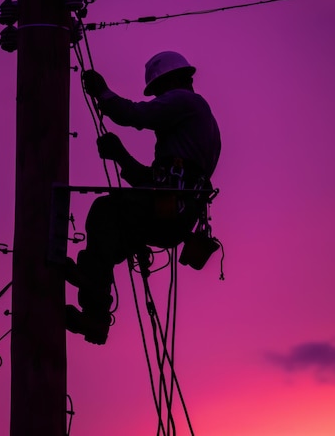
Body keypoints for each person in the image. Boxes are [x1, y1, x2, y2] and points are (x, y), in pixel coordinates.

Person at [66, 51, 221, 345]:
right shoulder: (188, 136)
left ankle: (93, 289)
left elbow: (136, 115)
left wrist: (103, 93)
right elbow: (149, 182)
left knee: (104, 210)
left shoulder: (187, 101)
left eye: (160, 90)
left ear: (176, 81)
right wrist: (120, 154)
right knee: (108, 243)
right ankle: (95, 317)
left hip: (169, 209)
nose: (159, 97)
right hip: (172, 217)